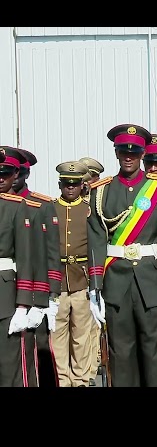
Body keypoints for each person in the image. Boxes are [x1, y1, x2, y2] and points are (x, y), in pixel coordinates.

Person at [86, 124, 157, 387]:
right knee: (121, 353)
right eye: (122, 151)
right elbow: (96, 241)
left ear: (142, 154)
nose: (128, 157)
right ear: (116, 153)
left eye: (134, 152)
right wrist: (95, 288)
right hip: (115, 284)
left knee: (155, 354)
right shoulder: (100, 192)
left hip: (150, 283)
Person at [12, 147, 61, 387]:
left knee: (39, 350)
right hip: (10, 285)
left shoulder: (40, 205)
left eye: (18, 173)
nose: (13, 179)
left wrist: (51, 296)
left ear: (25, 174)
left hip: (36, 289)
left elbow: (51, 252)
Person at [49, 161, 95, 387]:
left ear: (81, 185)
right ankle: (62, 381)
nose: (70, 188)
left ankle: (81, 380)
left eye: (75, 184)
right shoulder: (49, 208)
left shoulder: (88, 209)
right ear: (60, 184)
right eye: (66, 184)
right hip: (57, 282)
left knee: (81, 337)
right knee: (58, 336)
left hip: (81, 280)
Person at [0, 147, 37, 386]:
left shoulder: (14, 207)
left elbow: (25, 257)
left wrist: (24, 303)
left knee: (7, 367)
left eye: (5, 173)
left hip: (4, 295)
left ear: (14, 176)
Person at [78, 156, 104, 386]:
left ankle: (95, 362)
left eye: (87, 180)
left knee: (97, 323)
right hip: (78, 270)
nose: (84, 185)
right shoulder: (75, 204)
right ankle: (85, 369)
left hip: (98, 267)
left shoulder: (99, 202)